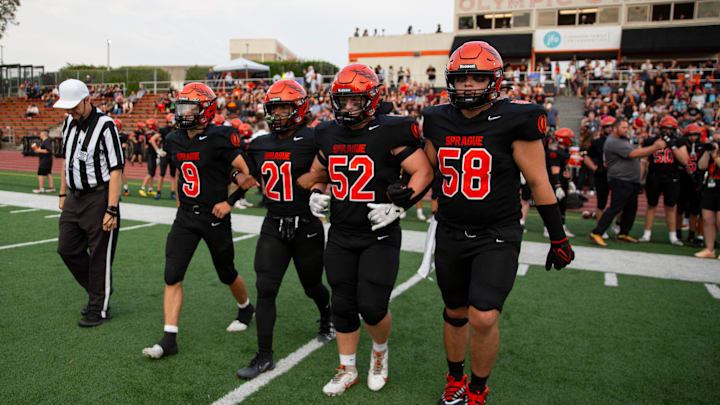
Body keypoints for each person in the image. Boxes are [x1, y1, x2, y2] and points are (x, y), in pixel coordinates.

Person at [422, 41, 574, 405]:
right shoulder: (438, 118)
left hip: (497, 233)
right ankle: (455, 378)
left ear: (495, 80)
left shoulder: (516, 118)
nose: (469, 85)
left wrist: (558, 237)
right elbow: (428, 171)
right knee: (455, 311)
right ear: (451, 81)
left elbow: (539, 182)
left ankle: (477, 388)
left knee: (485, 316)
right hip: (451, 229)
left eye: (478, 77)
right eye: (462, 78)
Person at [298, 64, 433, 396]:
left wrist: (400, 205)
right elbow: (316, 175)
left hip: (379, 232)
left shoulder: (392, 129)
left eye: (354, 101)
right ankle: (347, 368)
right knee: (342, 304)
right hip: (342, 232)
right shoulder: (328, 132)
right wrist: (316, 193)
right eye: (342, 101)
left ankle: (379, 354)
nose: (347, 108)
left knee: (372, 306)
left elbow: (423, 172)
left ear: (372, 99)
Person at [142, 83, 258, 359]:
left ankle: (246, 307)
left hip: (213, 215)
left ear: (206, 110)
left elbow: (248, 173)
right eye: (182, 107)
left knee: (226, 272)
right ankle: (169, 338)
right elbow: (186, 171)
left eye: (191, 108)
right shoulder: (174, 139)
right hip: (185, 217)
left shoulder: (221, 136)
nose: (185, 113)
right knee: (172, 274)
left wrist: (229, 201)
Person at [234, 80, 334, 379]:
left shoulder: (315, 137)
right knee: (265, 289)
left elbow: (337, 163)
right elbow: (242, 169)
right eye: (274, 107)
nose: (278, 113)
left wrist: (319, 185)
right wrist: (236, 176)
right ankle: (264, 355)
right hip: (274, 223)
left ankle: (326, 314)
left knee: (312, 285)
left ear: (300, 108)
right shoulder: (260, 143)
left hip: (306, 224)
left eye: (284, 107)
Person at [54, 79, 124, 327]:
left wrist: (111, 208)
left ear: (87, 100)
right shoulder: (68, 123)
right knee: (67, 248)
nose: (70, 111)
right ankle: (99, 290)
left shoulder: (105, 126)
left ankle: (99, 307)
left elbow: (116, 169)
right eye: (67, 107)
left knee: (99, 255)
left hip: (99, 196)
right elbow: (67, 160)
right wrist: (62, 193)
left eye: (74, 106)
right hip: (75, 196)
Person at [588, 119, 667, 246]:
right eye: (624, 128)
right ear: (615, 129)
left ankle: (623, 233)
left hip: (629, 180)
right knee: (615, 207)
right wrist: (655, 147)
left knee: (631, 208)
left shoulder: (621, 141)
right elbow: (633, 153)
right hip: (621, 180)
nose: (627, 130)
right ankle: (597, 232)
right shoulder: (613, 142)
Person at [637, 116, 689, 245]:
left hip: (672, 176)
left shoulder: (678, 141)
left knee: (671, 206)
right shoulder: (651, 141)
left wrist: (672, 146)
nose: (667, 131)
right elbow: (643, 160)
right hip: (654, 175)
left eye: (670, 129)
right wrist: (639, 179)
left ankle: (673, 236)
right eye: (665, 128)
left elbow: (685, 161)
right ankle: (647, 234)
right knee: (651, 204)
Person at [584, 116, 615, 238]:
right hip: (603, 175)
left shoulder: (621, 140)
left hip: (617, 175)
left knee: (619, 202)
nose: (610, 129)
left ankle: (617, 226)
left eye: (611, 126)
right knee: (601, 203)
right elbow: (586, 158)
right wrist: (595, 168)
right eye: (607, 127)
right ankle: (601, 228)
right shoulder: (597, 142)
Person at [545, 128, 576, 238]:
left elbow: (565, 168)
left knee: (562, 206)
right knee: (554, 206)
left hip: (562, 182)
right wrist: (557, 185)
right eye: (569, 138)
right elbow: (555, 169)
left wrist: (570, 181)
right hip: (555, 182)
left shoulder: (565, 151)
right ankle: (547, 228)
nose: (571, 140)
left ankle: (562, 226)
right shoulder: (555, 152)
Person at [694, 131, 720, 258]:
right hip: (711, 185)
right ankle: (709, 249)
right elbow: (701, 166)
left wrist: (716, 156)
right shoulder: (713, 150)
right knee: (707, 218)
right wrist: (707, 152)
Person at [149, 114, 178, 200]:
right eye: (168, 122)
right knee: (162, 174)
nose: (170, 124)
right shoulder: (164, 130)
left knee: (173, 175)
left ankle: (173, 192)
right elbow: (152, 140)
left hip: (173, 154)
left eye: (171, 122)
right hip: (165, 154)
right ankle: (158, 192)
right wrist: (158, 150)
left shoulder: (178, 130)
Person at [139, 118, 160, 197]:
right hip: (152, 154)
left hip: (150, 154)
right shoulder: (152, 134)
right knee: (150, 173)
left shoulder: (147, 133)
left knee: (152, 173)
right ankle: (142, 188)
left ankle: (150, 189)